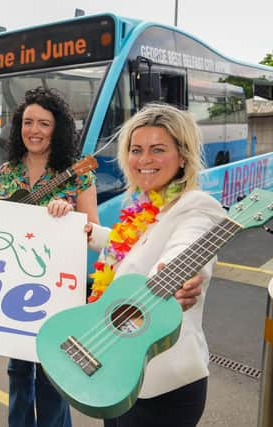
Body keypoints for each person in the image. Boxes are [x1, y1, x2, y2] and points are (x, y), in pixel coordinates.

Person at [85, 103, 227, 427]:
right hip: (120, 373)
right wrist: (87, 232)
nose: (144, 160)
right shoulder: (148, 206)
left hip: (163, 386)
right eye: (136, 150)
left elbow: (185, 250)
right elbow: (136, 244)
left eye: (158, 149)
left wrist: (174, 278)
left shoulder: (199, 207)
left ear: (183, 157)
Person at [0, 87, 99, 427]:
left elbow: (94, 232)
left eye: (44, 124)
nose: (34, 130)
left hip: (59, 287)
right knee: (19, 372)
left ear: (58, 129)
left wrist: (70, 216)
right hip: (16, 284)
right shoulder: (2, 176)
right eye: (28, 122)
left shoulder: (78, 174)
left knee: (53, 374)